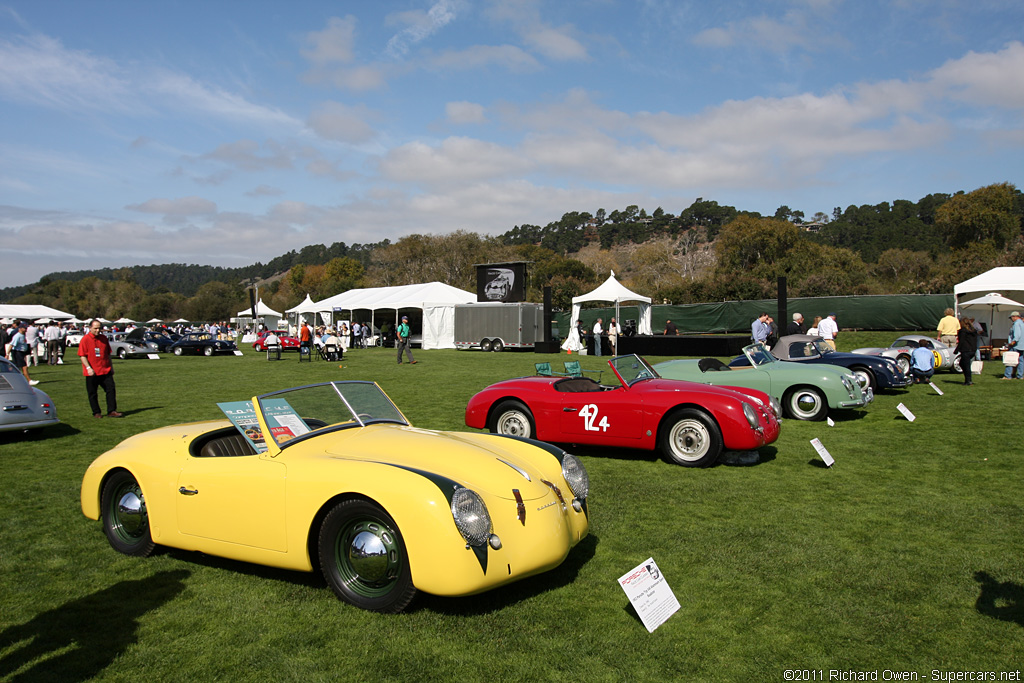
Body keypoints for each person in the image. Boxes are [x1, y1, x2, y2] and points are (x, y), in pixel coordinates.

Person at [79, 318, 122, 418]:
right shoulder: (85, 339)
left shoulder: (103, 339)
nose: (97, 330)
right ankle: (96, 412)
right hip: (92, 372)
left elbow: (108, 354)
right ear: (90, 328)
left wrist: (111, 367)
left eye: (99, 328)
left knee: (111, 389)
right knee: (92, 393)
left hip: (105, 370)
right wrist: (88, 368)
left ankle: (112, 410)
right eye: (95, 328)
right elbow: (82, 356)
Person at [955, 316, 979, 385]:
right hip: (972, 350)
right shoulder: (974, 331)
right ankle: (968, 379)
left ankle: (968, 380)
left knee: (965, 365)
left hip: (966, 350)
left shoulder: (963, 331)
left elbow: (961, 341)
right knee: (964, 364)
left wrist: (957, 350)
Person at [1003, 311, 1024, 380]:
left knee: (1010, 360)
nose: (1011, 319)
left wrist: (1012, 343)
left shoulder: (1016, 324)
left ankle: (1007, 375)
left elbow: (1017, 335)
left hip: (1015, 345)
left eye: (1011, 317)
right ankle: (1020, 375)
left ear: (1014, 317)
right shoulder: (1022, 323)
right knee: (1021, 360)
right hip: (1022, 345)